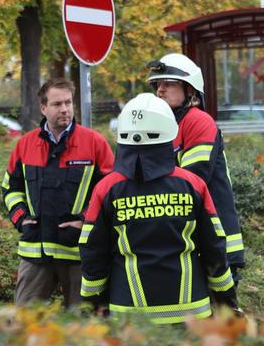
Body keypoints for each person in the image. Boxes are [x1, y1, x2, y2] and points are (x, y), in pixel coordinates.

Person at [79, 93, 238, 323]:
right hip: (191, 316)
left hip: (130, 319)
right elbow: (214, 248)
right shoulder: (193, 185)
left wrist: (91, 304)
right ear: (169, 134)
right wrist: (227, 300)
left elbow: (93, 253)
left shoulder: (106, 189)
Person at [2, 78, 114, 307]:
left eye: (68, 103)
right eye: (56, 104)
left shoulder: (95, 143)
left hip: (79, 253)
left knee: (82, 328)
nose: (64, 109)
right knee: (26, 323)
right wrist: (21, 220)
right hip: (36, 253)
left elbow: (111, 192)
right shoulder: (25, 144)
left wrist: (84, 221)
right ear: (43, 108)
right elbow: (10, 188)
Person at [146, 53, 245, 280]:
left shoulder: (197, 121)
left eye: (168, 84)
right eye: (157, 84)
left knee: (220, 313)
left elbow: (191, 180)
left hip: (212, 239)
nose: (160, 90)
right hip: (188, 237)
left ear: (190, 90)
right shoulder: (167, 126)